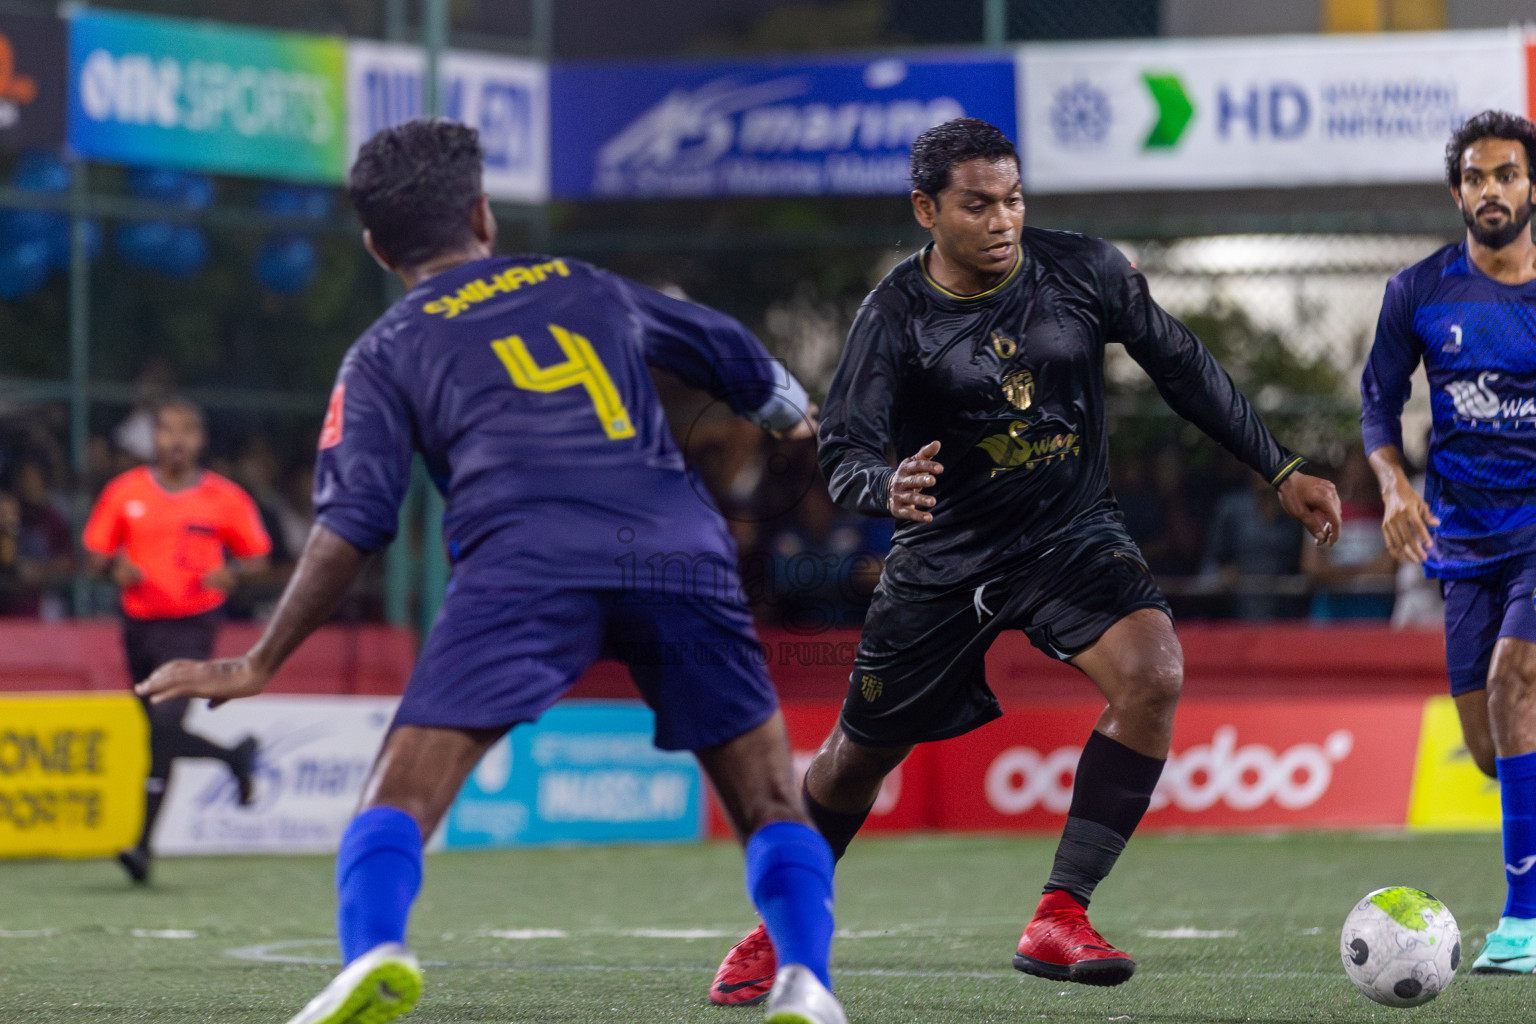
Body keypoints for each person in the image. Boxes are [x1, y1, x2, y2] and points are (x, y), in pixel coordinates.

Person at [138, 118, 845, 1024]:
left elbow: (353, 522)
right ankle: (805, 980)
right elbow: (735, 358)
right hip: (672, 547)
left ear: (376, 245)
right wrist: (788, 409)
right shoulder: (584, 284)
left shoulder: (385, 351)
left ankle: (374, 953)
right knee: (769, 793)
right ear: (481, 212)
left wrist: (263, 659)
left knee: (401, 791)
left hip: (523, 562)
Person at [710, 117, 1341, 1005]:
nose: (1002, 220)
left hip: (1070, 535)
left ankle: (1060, 914)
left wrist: (1279, 466)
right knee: (856, 760)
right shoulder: (893, 316)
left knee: (1154, 671)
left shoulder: (1083, 270)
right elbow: (842, 450)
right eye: (977, 206)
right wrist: (885, 486)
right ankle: (779, 928)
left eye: (1013, 200)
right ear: (928, 210)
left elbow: (1179, 362)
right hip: (945, 561)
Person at [1361, 109, 1536, 975]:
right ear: (1458, 191)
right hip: (1462, 542)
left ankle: (1526, 922)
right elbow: (1377, 407)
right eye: (1475, 177)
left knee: (1516, 680)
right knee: (1491, 750)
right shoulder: (1418, 291)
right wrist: (1394, 483)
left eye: (1506, 174)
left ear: (1531, 187)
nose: (1491, 190)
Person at [82, 398, 270, 883]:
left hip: (193, 624)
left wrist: (233, 575)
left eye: (187, 430)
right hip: (139, 624)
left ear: (200, 439)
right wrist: (113, 568)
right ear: (155, 438)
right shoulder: (125, 492)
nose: (177, 439)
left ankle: (142, 848)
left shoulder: (225, 498)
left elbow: (257, 557)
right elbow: (96, 554)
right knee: (158, 731)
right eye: (167, 430)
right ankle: (234, 757)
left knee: (165, 724)